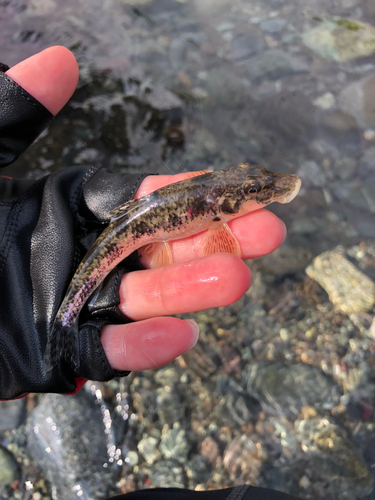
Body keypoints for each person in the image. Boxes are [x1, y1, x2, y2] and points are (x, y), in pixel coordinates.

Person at [0, 47, 301, 500]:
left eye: (258, 187)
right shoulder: (216, 206)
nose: (269, 191)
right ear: (227, 199)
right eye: (257, 191)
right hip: (130, 232)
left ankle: (63, 323)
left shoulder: (219, 194)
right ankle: (62, 326)